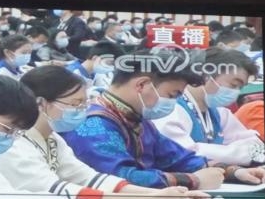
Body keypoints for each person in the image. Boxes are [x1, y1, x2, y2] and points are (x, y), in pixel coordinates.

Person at [0, 66, 209, 199]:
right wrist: (152, 198)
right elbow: (58, 189)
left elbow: (89, 178)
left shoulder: (52, 138)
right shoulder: (14, 144)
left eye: (84, 103)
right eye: (75, 104)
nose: (82, 110)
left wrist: (158, 194)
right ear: (41, 103)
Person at [61, 49, 243, 190]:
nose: (174, 102)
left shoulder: (137, 119)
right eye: (172, 95)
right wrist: (192, 180)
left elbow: (177, 158)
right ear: (141, 85)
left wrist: (232, 171)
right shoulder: (92, 124)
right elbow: (120, 178)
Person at [153, 47, 265, 168]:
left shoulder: (220, 112)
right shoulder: (171, 109)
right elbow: (185, 153)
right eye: (234, 85)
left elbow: (257, 148)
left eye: (240, 88)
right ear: (206, 75)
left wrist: (216, 152)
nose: (236, 92)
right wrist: (235, 152)